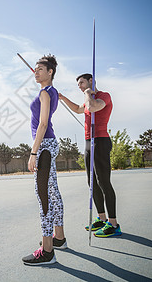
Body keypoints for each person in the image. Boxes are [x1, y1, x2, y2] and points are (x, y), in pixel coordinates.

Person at [59, 73, 121, 238]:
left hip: (100, 141)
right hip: (88, 142)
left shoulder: (103, 96)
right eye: (78, 84)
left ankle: (113, 224)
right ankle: (101, 219)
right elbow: (79, 109)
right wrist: (63, 97)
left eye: (82, 83)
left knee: (103, 182)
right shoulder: (87, 100)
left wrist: (88, 93)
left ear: (91, 81)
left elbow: (92, 107)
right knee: (91, 182)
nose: (79, 86)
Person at [22, 55, 67, 266]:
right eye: (35, 69)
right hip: (50, 145)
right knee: (53, 194)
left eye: (40, 69)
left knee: (45, 198)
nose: (36, 71)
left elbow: (42, 124)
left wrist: (33, 152)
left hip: (45, 147)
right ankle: (59, 238)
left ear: (50, 72)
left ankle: (47, 251)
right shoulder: (53, 92)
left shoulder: (45, 92)